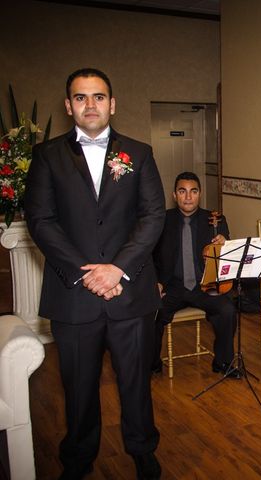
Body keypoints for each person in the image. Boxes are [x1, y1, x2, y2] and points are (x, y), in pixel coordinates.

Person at [25, 68, 165, 479]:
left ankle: (142, 449)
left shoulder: (139, 154)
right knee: (78, 387)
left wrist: (118, 268)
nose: (91, 105)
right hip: (74, 294)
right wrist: (86, 274)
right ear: (69, 105)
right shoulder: (47, 156)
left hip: (130, 292)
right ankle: (78, 458)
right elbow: (41, 220)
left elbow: (153, 216)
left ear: (112, 104)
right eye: (81, 97)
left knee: (136, 383)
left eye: (99, 97)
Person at [152, 171, 237, 377]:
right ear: (174, 195)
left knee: (227, 310)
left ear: (200, 194)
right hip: (173, 286)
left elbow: (227, 259)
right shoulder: (162, 220)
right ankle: (151, 362)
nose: (188, 197)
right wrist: (156, 283)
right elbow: (150, 256)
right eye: (183, 191)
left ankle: (223, 362)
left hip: (204, 287)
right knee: (151, 313)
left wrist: (224, 244)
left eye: (193, 191)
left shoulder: (215, 219)